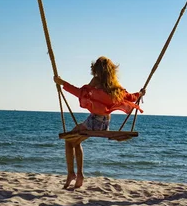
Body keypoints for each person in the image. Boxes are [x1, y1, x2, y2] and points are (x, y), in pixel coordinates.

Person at [53, 56, 145, 189]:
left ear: (97, 70)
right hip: (105, 122)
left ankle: (72, 173)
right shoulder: (115, 87)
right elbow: (130, 97)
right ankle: (79, 176)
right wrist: (140, 93)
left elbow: (80, 92)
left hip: (94, 121)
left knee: (69, 139)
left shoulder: (96, 82)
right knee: (76, 140)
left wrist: (62, 82)